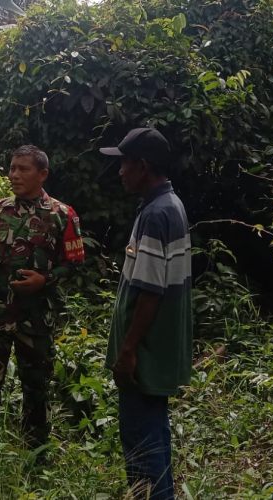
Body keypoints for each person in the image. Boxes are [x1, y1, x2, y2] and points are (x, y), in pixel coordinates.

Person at [0, 145, 84, 457]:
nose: (14, 175)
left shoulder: (63, 215)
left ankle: (36, 456)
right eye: (12, 167)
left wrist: (45, 279)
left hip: (36, 317)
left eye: (23, 169)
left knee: (36, 390)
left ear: (42, 175)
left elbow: (74, 262)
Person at [100, 128, 193, 500]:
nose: (119, 171)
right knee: (153, 431)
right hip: (154, 349)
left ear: (142, 166)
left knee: (142, 441)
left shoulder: (157, 214)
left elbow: (151, 292)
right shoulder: (167, 205)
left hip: (146, 352)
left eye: (123, 163)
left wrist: (128, 351)